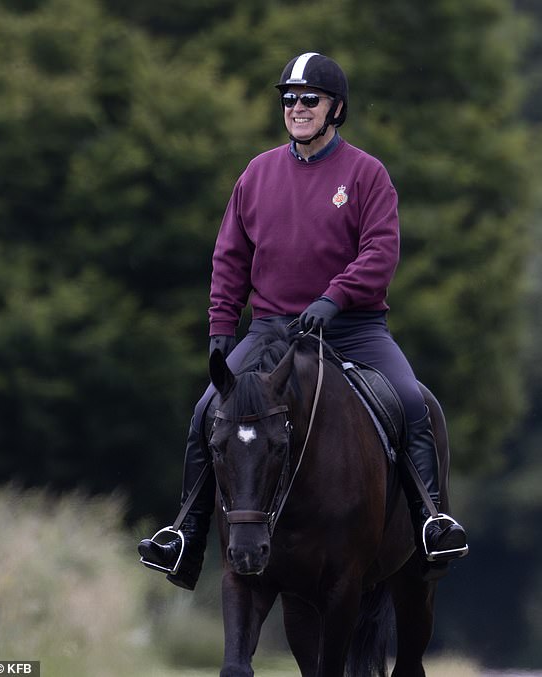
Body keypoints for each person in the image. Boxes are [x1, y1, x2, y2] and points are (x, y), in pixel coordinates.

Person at [138, 52, 468, 590]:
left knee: (411, 401)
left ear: (335, 108)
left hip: (353, 328)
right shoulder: (256, 173)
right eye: (288, 99)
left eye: (308, 99)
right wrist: (222, 327)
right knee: (205, 411)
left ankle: (430, 523)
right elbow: (230, 257)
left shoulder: (367, 174)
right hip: (270, 329)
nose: (296, 107)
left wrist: (334, 299)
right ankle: (186, 536)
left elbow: (380, 253)